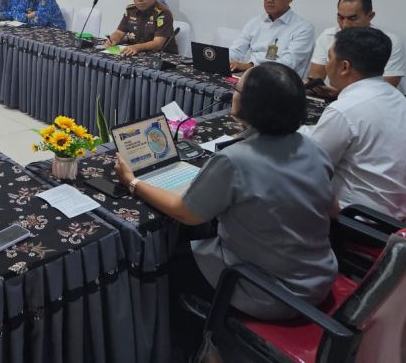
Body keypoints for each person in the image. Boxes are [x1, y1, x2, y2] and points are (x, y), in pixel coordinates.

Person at [115, 63, 337, 355]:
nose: (232, 93)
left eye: (237, 89)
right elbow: (332, 208)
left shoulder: (235, 159)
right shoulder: (313, 147)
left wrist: (133, 182)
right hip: (318, 279)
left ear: (253, 104)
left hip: (269, 292)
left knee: (170, 262)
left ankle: (195, 348)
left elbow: (186, 213)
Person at [302, 27, 406, 219]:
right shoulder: (398, 100)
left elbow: (309, 163)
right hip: (396, 215)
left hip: (356, 220)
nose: (326, 65)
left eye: (329, 57)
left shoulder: (345, 109)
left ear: (344, 66)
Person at [307, 0, 406, 96]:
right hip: (334, 98)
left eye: (353, 18)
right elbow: (316, 76)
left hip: (377, 102)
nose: (345, 25)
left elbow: (387, 86)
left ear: (370, 16)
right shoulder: (328, 36)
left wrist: (341, 93)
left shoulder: (390, 42)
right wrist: (313, 87)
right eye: (340, 17)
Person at [229, 0, 314, 77]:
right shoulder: (255, 22)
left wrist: (251, 66)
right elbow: (237, 50)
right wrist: (221, 60)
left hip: (282, 82)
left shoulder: (303, 28)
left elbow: (287, 64)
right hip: (248, 76)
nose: (269, 0)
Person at [104, 0, 177, 56]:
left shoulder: (163, 12)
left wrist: (136, 47)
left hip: (162, 58)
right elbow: (120, 32)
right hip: (139, 53)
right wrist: (113, 39)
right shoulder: (130, 10)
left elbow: (158, 44)